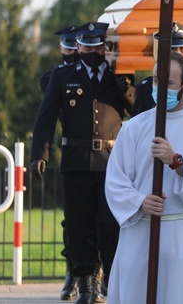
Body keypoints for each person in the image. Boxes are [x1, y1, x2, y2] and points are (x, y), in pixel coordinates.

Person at [104, 52, 183, 304]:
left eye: (168, 83)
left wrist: (177, 162)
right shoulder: (133, 128)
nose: (160, 89)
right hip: (139, 232)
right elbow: (115, 181)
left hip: (180, 236)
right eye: (155, 81)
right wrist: (139, 201)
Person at [31, 21, 135, 304]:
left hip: (110, 165)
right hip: (76, 163)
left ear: (105, 46)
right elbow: (46, 116)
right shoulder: (63, 75)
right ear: (77, 47)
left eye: (97, 45)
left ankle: (112, 281)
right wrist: (40, 153)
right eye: (86, 45)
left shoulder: (119, 76)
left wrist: (122, 80)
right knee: (79, 227)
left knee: (110, 226)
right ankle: (87, 285)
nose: (92, 50)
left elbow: (136, 109)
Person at [38, 24, 84, 301]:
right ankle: (73, 274)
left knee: (100, 221)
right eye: (66, 48)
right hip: (72, 155)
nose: (70, 53)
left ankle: (94, 274)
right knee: (72, 224)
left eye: (74, 48)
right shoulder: (56, 77)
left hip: (100, 157)